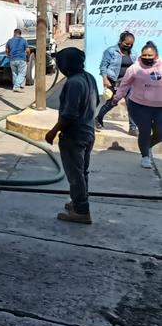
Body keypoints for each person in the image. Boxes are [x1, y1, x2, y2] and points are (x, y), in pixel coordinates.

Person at [45, 47, 99, 225]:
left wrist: (53, 131)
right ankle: (79, 202)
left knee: (75, 174)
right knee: (82, 172)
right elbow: (96, 101)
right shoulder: (89, 77)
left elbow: (69, 114)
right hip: (88, 132)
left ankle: (82, 211)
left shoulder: (74, 83)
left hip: (74, 136)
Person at [112, 41, 162, 169]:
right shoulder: (134, 69)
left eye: (150, 56)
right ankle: (145, 156)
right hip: (139, 106)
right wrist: (116, 98)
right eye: (144, 55)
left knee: (160, 133)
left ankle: (148, 145)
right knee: (144, 131)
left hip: (159, 108)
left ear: (156, 55)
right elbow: (125, 85)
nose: (147, 58)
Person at [96, 31, 138, 135]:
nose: (129, 46)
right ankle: (98, 118)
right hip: (114, 82)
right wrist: (105, 79)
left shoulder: (133, 53)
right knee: (111, 103)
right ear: (120, 41)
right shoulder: (110, 51)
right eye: (126, 43)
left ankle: (132, 128)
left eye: (131, 44)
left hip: (128, 83)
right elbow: (103, 66)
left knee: (131, 104)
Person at [5, 28, 30, 92]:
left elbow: (7, 50)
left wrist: (8, 55)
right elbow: (27, 50)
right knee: (22, 73)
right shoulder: (23, 40)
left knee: (15, 73)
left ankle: (17, 85)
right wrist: (28, 57)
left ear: (14, 33)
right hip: (21, 59)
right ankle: (16, 86)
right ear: (20, 34)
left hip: (12, 60)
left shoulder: (9, 40)